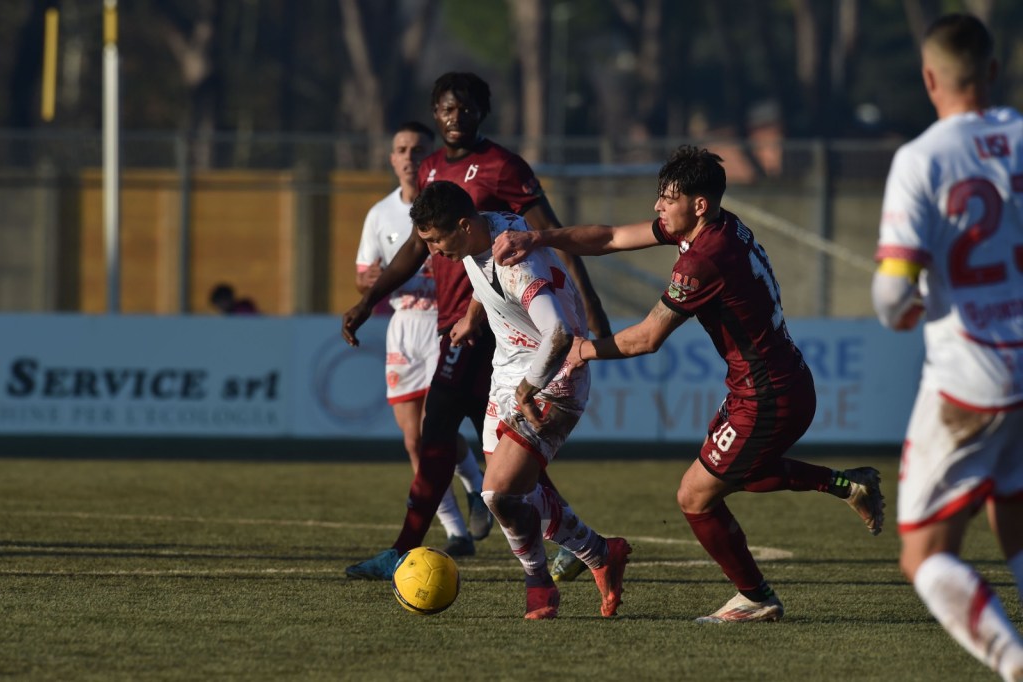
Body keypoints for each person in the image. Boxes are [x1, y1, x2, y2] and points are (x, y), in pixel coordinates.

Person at [494, 145, 886, 623]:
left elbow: (647, 337)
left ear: (699, 204)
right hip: (771, 384)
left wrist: (582, 349)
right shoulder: (716, 225)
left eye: (667, 198)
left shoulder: (705, 259)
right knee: (734, 473)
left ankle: (756, 597)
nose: (658, 207)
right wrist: (538, 238)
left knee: (695, 496)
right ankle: (850, 484)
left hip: (768, 395)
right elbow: (613, 237)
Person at [343, 72, 611, 581]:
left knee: (443, 433)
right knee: (500, 456)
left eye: (465, 108)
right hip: (458, 322)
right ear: (435, 111)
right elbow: (417, 247)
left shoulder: (504, 167)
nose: (455, 117)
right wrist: (370, 299)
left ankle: (405, 549)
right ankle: (578, 543)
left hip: (499, 327)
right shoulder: (430, 169)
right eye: (446, 108)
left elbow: (551, 236)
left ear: (481, 112)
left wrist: (590, 310)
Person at [872, 13, 1023, 680]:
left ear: (930, 78)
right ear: (993, 70)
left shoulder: (923, 157)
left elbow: (890, 291)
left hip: (974, 376)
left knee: (925, 554)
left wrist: (902, 309)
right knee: (1014, 514)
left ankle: (1013, 661)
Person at [411, 179, 630, 619]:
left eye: (436, 240)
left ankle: (539, 584)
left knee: (498, 493)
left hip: (554, 376)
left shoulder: (515, 264)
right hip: (507, 372)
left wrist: (529, 386)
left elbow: (559, 333)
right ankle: (600, 553)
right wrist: (474, 317)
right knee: (516, 493)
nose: (434, 252)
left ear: (461, 226)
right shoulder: (486, 230)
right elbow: (482, 278)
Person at [354, 121, 488, 557]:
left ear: (430, 159)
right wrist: (371, 284)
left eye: (417, 150)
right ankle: (458, 528)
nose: (409, 157)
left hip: (444, 324)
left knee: (439, 427)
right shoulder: (380, 214)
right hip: (403, 328)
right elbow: (363, 276)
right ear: (392, 158)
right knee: (415, 439)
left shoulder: (452, 205)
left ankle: (476, 494)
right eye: (401, 149)